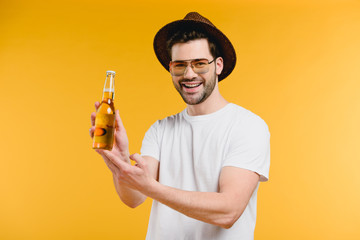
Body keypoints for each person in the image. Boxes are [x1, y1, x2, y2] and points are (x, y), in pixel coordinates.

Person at [90, 12, 270, 240]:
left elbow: (228, 211)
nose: (189, 74)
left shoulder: (248, 126)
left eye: (200, 64)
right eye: (180, 65)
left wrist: (151, 187)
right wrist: (120, 161)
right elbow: (134, 198)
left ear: (218, 65)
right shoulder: (160, 129)